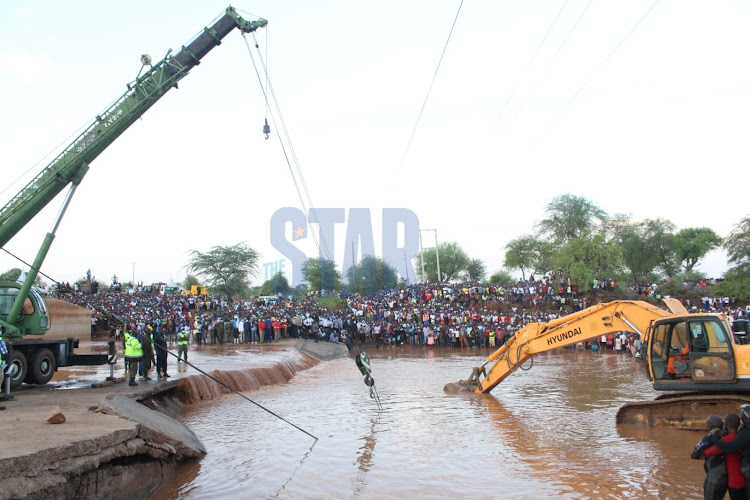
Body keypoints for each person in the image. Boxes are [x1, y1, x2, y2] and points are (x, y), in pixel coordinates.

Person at [704, 413, 746, 500]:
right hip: (745, 479)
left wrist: (709, 439)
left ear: (727, 424)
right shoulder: (742, 437)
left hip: (734, 482)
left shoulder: (726, 440)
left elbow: (707, 453)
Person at [691, 414, 728, 500]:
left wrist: (702, 453)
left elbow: (693, 455)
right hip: (725, 478)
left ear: (710, 426)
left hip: (713, 479)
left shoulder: (709, 437)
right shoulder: (726, 435)